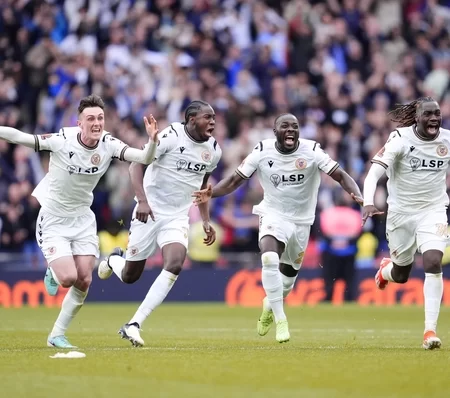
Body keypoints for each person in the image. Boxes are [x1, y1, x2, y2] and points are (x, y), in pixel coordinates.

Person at [0, 94, 159, 348]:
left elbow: (144, 159)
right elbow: (22, 138)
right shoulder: (62, 140)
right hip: (53, 218)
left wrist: (151, 142)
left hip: (83, 219)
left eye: (100, 118)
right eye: (91, 119)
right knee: (67, 278)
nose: (97, 123)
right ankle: (53, 270)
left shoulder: (108, 143)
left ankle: (56, 335)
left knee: (85, 279)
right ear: (79, 122)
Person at [192, 113, 363, 343]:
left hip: (302, 222)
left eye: (295, 126)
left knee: (288, 280)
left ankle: (269, 304)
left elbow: (340, 175)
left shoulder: (312, 150)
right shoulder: (262, 150)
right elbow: (235, 180)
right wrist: (212, 192)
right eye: (285, 126)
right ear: (275, 132)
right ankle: (281, 320)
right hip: (273, 213)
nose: (291, 129)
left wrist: (359, 195)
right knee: (269, 258)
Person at [97, 100, 222, 347]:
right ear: (191, 119)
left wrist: (206, 220)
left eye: (214, 117)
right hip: (149, 211)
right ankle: (114, 258)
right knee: (130, 276)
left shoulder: (214, 150)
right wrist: (142, 201)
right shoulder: (171, 136)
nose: (213, 122)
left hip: (177, 216)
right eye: (207, 117)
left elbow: (202, 189)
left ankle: (134, 324)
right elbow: (136, 165)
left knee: (175, 262)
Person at [363, 96, 450, 350]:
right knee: (401, 274)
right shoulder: (400, 139)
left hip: (434, 211)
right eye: (428, 114)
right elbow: (374, 173)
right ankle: (386, 270)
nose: (434, 118)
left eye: (437, 114)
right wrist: (369, 202)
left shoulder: (447, 139)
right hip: (401, 213)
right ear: (417, 117)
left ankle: (429, 331)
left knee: (434, 261)